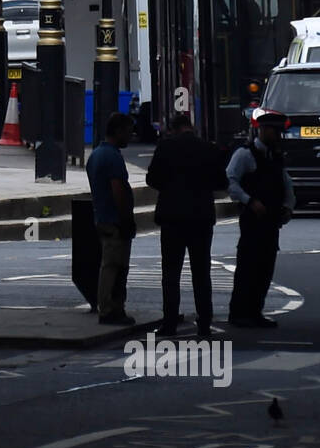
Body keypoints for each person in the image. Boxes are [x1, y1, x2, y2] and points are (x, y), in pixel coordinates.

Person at [146, 113, 228, 337]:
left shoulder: (165, 147)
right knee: (201, 272)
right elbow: (222, 182)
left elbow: (151, 179)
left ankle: (170, 322)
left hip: (172, 217)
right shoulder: (208, 148)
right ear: (191, 127)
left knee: (171, 273)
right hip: (200, 217)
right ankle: (204, 322)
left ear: (173, 129)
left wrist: (170, 186)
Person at [226, 111, 295, 328]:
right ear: (263, 130)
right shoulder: (245, 155)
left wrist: (288, 207)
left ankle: (255, 311)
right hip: (252, 219)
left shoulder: (275, 156)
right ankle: (239, 312)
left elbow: (286, 184)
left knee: (265, 267)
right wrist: (250, 201)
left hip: (271, 220)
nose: (278, 136)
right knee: (248, 266)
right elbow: (232, 182)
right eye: (275, 131)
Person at [86, 112, 137, 326]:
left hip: (101, 216)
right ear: (117, 131)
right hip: (114, 219)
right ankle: (110, 309)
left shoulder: (95, 154)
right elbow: (118, 189)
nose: (131, 136)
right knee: (115, 267)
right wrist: (126, 219)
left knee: (110, 264)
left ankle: (109, 307)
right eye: (128, 131)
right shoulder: (113, 157)